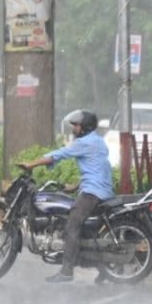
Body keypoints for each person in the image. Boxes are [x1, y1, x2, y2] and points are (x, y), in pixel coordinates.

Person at [18, 108, 112, 283]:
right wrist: (75, 186)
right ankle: (103, 268)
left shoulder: (83, 143)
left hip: (93, 192)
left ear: (84, 127)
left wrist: (32, 164)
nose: (73, 128)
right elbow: (95, 169)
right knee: (87, 231)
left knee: (72, 226)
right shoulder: (98, 142)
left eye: (75, 125)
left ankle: (67, 271)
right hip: (98, 189)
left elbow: (57, 155)